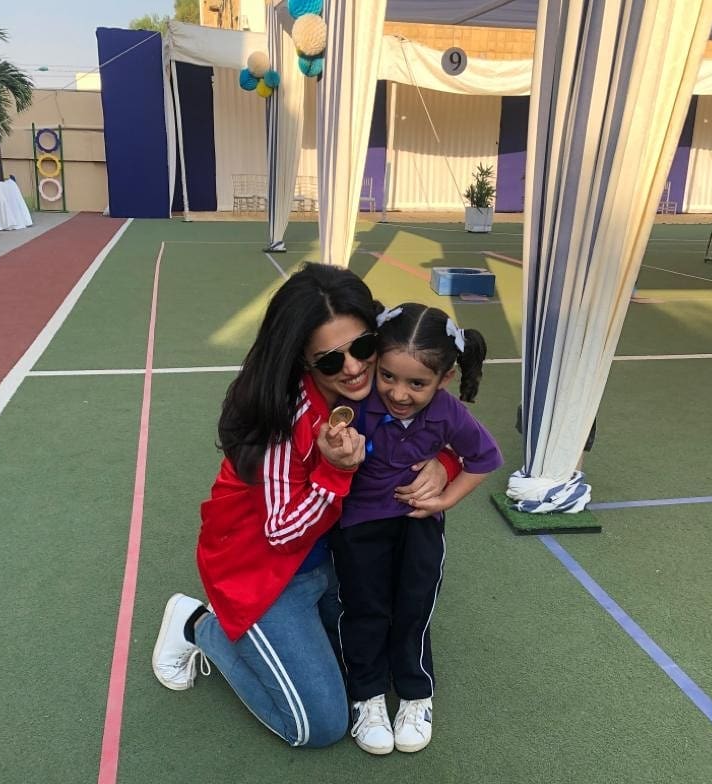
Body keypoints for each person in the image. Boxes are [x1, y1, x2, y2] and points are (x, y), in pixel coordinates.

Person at [151, 263, 456, 748]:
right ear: (303, 362)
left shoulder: (380, 384)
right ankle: (198, 625)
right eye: (331, 361)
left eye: (362, 347)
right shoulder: (283, 414)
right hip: (264, 571)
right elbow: (281, 533)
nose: (354, 368)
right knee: (320, 724)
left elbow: (435, 418)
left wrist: (443, 461)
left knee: (366, 661)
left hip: (333, 560)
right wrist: (336, 471)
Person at [330, 303, 503, 756]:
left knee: (415, 606)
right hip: (358, 528)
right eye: (388, 376)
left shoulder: (448, 413)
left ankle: (415, 692)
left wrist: (444, 499)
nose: (399, 393)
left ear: (444, 378)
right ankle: (367, 695)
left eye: (417, 383)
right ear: (374, 364)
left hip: (418, 527)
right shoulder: (352, 405)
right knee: (365, 609)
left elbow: (485, 459)